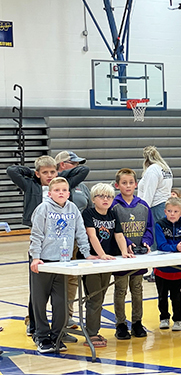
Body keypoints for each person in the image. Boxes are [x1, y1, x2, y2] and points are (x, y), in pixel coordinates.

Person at [7, 155, 89, 340]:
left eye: (52, 171)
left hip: (62, 244)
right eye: (45, 173)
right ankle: (35, 325)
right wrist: (35, 173)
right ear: (38, 174)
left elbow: (83, 170)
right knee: (38, 291)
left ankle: (60, 327)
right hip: (40, 240)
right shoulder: (32, 185)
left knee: (61, 290)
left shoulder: (63, 189)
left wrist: (58, 173)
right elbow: (12, 170)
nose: (50, 175)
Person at [29, 177, 95, 353]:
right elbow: (36, 234)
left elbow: (80, 232)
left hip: (63, 262)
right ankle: (41, 336)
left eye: (64, 190)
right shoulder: (43, 209)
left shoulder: (73, 208)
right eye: (57, 190)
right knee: (39, 301)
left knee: (60, 302)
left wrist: (87, 253)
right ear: (50, 193)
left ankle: (56, 335)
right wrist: (35, 257)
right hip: (43, 262)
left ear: (68, 193)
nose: (61, 193)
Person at [81, 183, 133, 348]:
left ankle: (93, 330)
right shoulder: (88, 213)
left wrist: (124, 251)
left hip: (106, 261)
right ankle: (91, 333)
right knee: (94, 297)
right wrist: (101, 254)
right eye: (101, 196)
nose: (106, 199)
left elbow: (119, 235)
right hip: (92, 261)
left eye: (109, 196)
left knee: (100, 297)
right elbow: (92, 236)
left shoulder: (113, 214)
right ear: (93, 199)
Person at [111, 168, 154, 340]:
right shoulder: (113, 206)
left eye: (131, 182)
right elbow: (115, 230)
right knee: (120, 289)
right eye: (124, 183)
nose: (128, 186)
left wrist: (146, 241)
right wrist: (126, 244)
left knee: (137, 289)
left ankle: (137, 322)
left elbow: (149, 228)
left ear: (136, 184)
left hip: (139, 256)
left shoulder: (143, 205)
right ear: (117, 185)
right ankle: (120, 324)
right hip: (122, 256)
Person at [55, 150, 93, 330]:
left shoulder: (82, 187)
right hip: (55, 239)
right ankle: (34, 318)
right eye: (73, 164)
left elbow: (89, 210)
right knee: (48, 280)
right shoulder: (54, 186)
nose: (77, 167)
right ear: (62, 165)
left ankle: (67, 316)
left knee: (71, 278)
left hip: (76, 239)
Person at [154, 197, 181, 331]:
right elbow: (161, 245)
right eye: (169, 211)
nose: (172, 214)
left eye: (175, 211)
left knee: (176, 294)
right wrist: (176, 247)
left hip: (178, 267)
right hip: (162, 267)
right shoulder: (159, 224)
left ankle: (178, 319)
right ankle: (163, 317)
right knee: (162, 295)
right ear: (165, 212)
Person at [138, 146, 174, 282]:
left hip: (154, 207)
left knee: (155, 241)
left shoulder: (152, 170)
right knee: (162, 238)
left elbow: (149, 192)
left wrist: (142, 210)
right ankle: (158, 270)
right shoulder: (165, 168)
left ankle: (158, 271)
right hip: (163, 205)